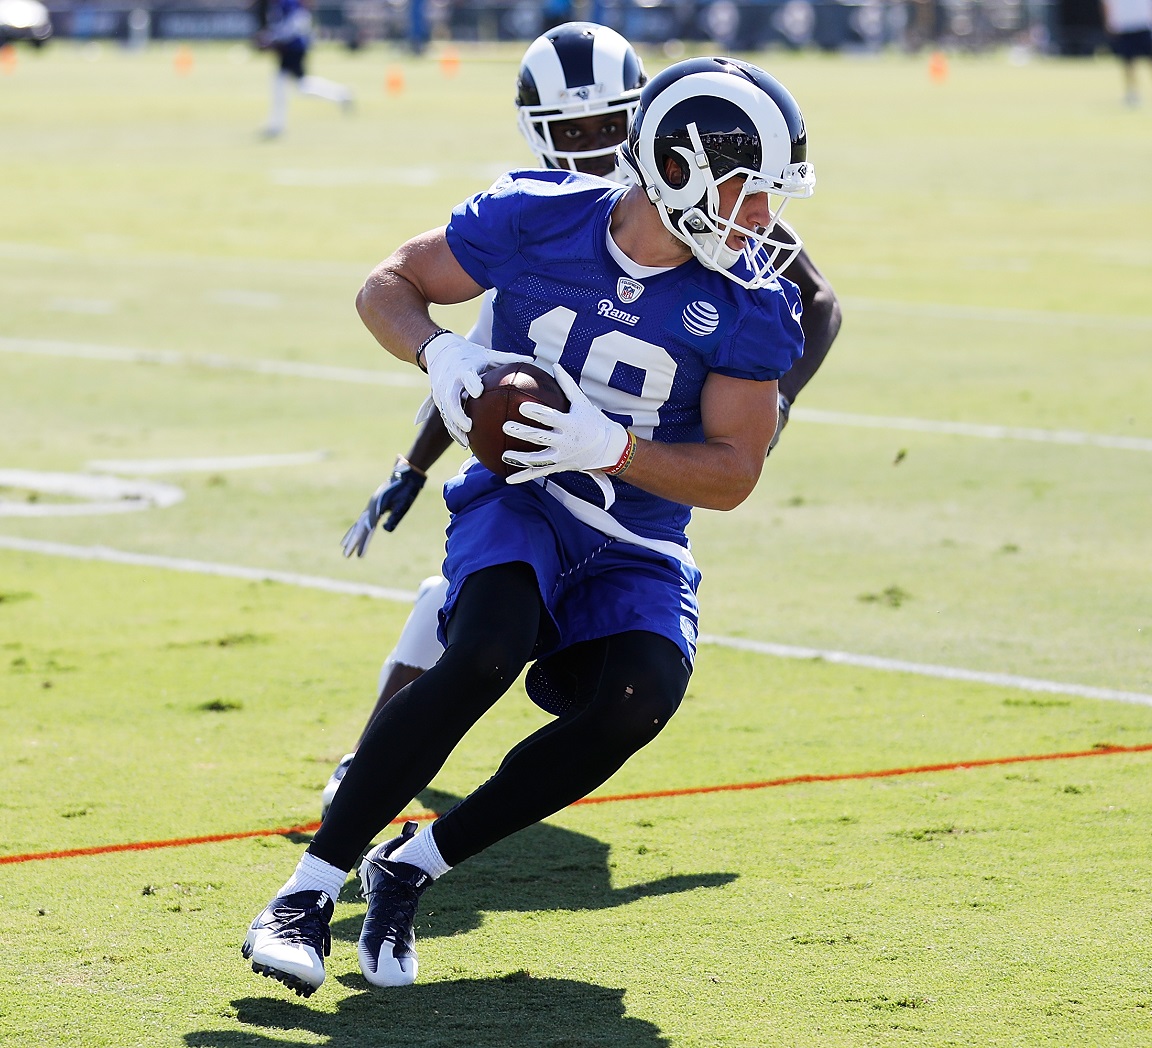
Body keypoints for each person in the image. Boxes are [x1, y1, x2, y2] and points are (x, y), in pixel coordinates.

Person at [242, 54, 817, 997]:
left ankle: (413, 867)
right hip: (520, 497)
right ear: (676, 170)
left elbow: (734, 475)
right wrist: (443, 358)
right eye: (750, 193)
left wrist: (613, 448)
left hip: (635, 532)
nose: (764, 220)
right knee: (485, 646)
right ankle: (306, 892)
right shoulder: (536, 216)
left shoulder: (751, 301)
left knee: (637, 698)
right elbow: (387, 285)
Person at [322, 23, 842, 818]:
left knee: (593, 649)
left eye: (609, 125)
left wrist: (763, 416)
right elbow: (483, 357)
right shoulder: (542, 209)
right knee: (470, 606)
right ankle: (368, 767)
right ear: (539, 132)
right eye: (574, 132)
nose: (594, 146)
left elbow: (816, 303)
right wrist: (416, 459)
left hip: (634, 457)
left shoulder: (720, 207)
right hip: (529, 425)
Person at [254, 0, 353, 139]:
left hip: (293, 48)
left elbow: (298, 22)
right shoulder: (279, 3)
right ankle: (340, 94)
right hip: (290, 48)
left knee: (291, 85)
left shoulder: (288, 2)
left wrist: (274, 38)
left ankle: (276, 125)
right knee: (295, 85)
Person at [1101, 0, 1152, 107]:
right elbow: (1107, 4)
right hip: (1124, 25)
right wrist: (1109, 22)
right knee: (1128, 62)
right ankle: (1132, 93)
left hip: (1143, 23)